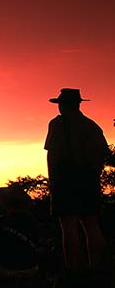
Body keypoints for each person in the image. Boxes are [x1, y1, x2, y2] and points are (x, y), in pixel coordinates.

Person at [44, 88, 110, 271]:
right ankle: (96, 268)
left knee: (68, 226)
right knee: (91, 225)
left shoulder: (57, 124)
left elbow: (53, 155)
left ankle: (73, 270)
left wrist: (54, 183)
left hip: (65, 182)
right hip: (89, 181)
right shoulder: (92, 125)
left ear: (62, 105)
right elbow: (104, 154)